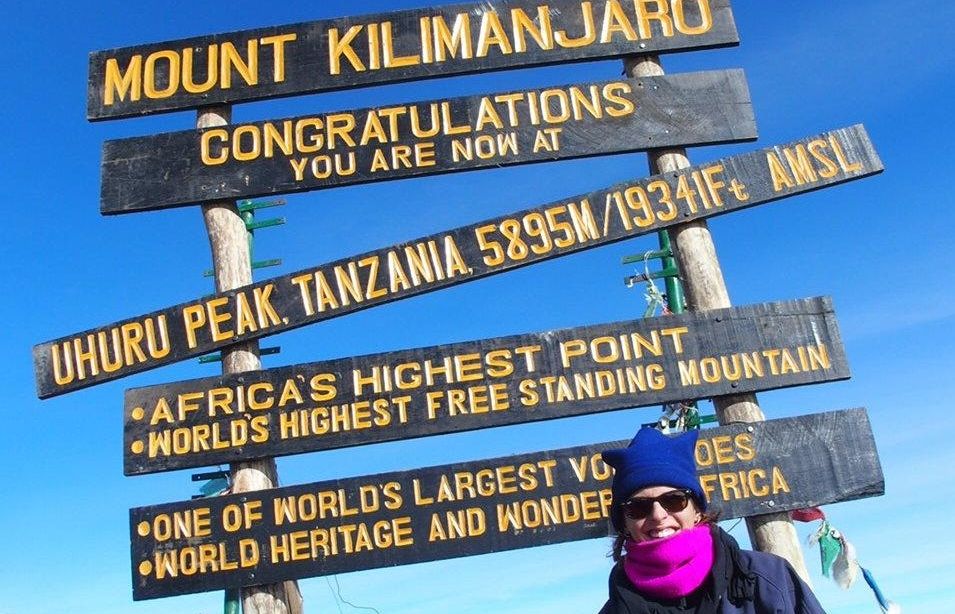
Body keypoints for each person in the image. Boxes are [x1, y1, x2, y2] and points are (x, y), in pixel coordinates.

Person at [598, 427, 826, 614]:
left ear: (697, 509)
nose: (658, 515)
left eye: (674, 500)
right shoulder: (615, 609)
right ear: (624, 523)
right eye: (638, 507)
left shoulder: (769, 578)